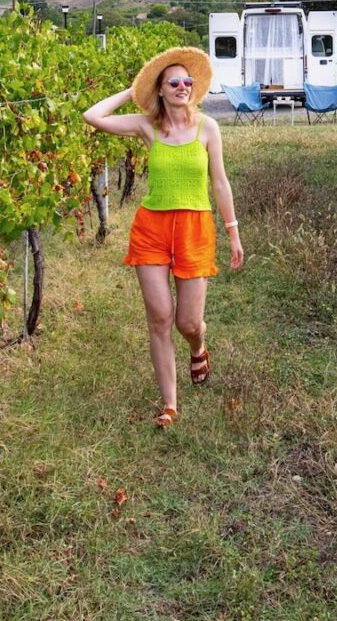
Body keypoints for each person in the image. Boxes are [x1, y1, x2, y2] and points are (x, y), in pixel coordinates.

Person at [83, 46, 243, 428]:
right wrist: (132, 90)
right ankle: (170, 405)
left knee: (188, 322)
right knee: (159, 317)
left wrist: (233, 232)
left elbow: (219, 182)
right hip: (152, 229)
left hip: (194, 228)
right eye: (173, 82)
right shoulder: (146, 125)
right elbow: (92, 116)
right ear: (160, 89)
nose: (183, 87)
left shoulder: (208, 128)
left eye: (187, 82)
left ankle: (198, 348)